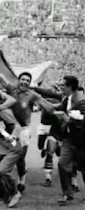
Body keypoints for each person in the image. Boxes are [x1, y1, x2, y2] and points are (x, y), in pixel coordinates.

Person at [0, 72, 54, 193]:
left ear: (29, 83)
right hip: (9, 128)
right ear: (18, 80)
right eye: (22, 79)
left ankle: (21, 180)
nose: (24, 82)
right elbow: (1, 77)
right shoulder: (11, 89)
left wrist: (58, 108)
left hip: (23, 130)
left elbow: (46, 104)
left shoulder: (32, 95)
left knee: (20, 157)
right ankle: (1, 183)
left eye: (27, 80)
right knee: (2, 155)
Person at [0, 90, 23, 208]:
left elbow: (17, 126)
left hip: (13, 148)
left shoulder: (4, 112)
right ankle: (5, 196)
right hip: (1, 149)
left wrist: (13, 136)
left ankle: (16, 193)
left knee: (2, 170)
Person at [52, 75, 85, 206]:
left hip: (82, 141)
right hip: (69, 139)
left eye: (63, 85)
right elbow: (58, 106)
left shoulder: (82, 101)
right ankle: (67, 193)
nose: (60, 87)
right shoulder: (67, 99)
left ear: (70, 87)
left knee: (83, 168)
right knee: (62, 164)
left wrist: (70, 121)